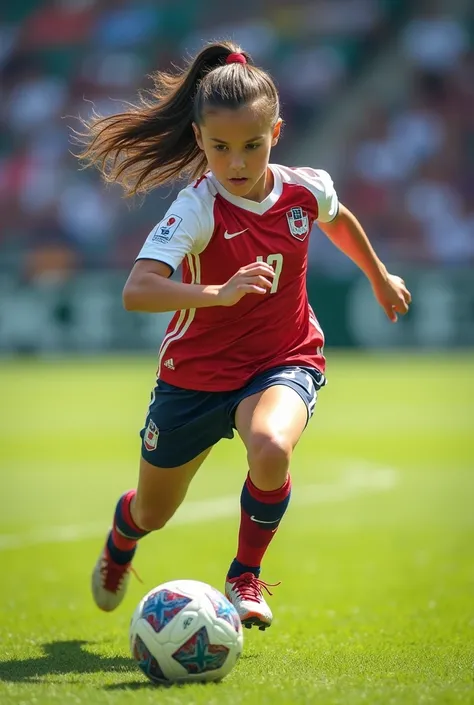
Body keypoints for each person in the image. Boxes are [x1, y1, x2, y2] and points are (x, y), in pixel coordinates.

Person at [77, 41, 411, 630]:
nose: (236, 162)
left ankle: (244, 575)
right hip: (195, 379)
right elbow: (138, 289)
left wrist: (379, 276)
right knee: (154, 511)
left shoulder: (306, 189)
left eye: (252, 145)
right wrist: (217, 292)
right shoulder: (196, 208)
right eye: (220, 147)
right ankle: (123, 538)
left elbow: (339, 219)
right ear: (199, 140)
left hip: (283, 359)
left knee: (272, 448)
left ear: (276, 133)